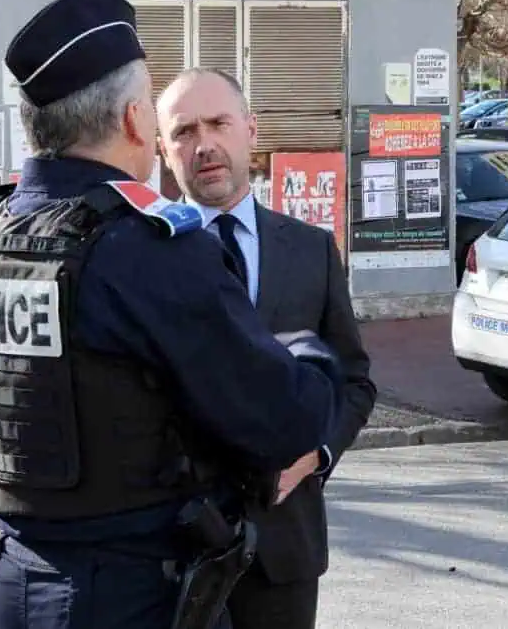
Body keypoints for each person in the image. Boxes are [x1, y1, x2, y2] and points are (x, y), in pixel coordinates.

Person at [0, 0, 343, 629]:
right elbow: (285, 420)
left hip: (15, 582)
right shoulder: (147, 249)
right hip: (130, 592)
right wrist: (305, 354)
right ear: (134, 120)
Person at [156, 67, 377, 629]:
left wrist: (314, 455)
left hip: (286, 549)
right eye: (184, 131)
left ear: (251, 130)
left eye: (219, 123)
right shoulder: (141, 254)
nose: (204, 144)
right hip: (171, 549)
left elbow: (352, 381)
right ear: (162, 148)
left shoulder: (310, 249)